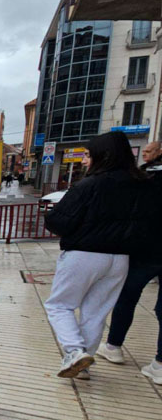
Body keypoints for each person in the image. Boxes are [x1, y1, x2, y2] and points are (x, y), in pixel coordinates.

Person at [43, 131, 151, 379]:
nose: (84, 161)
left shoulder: (90, 185)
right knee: (96, 313)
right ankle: (82, 366)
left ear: (103, 156)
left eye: (88, 155)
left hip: (84, 254)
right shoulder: (143, 185)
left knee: (59, 305)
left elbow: (59, 221)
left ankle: (74, 352)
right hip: (120, 259)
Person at [97, 141, 162, 384]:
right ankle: (160, 364)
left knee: (126, 297)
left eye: (148, 151)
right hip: (147, 247)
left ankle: (114, 346)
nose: (144, 154)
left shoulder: (145, 177)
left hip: (145, 249)